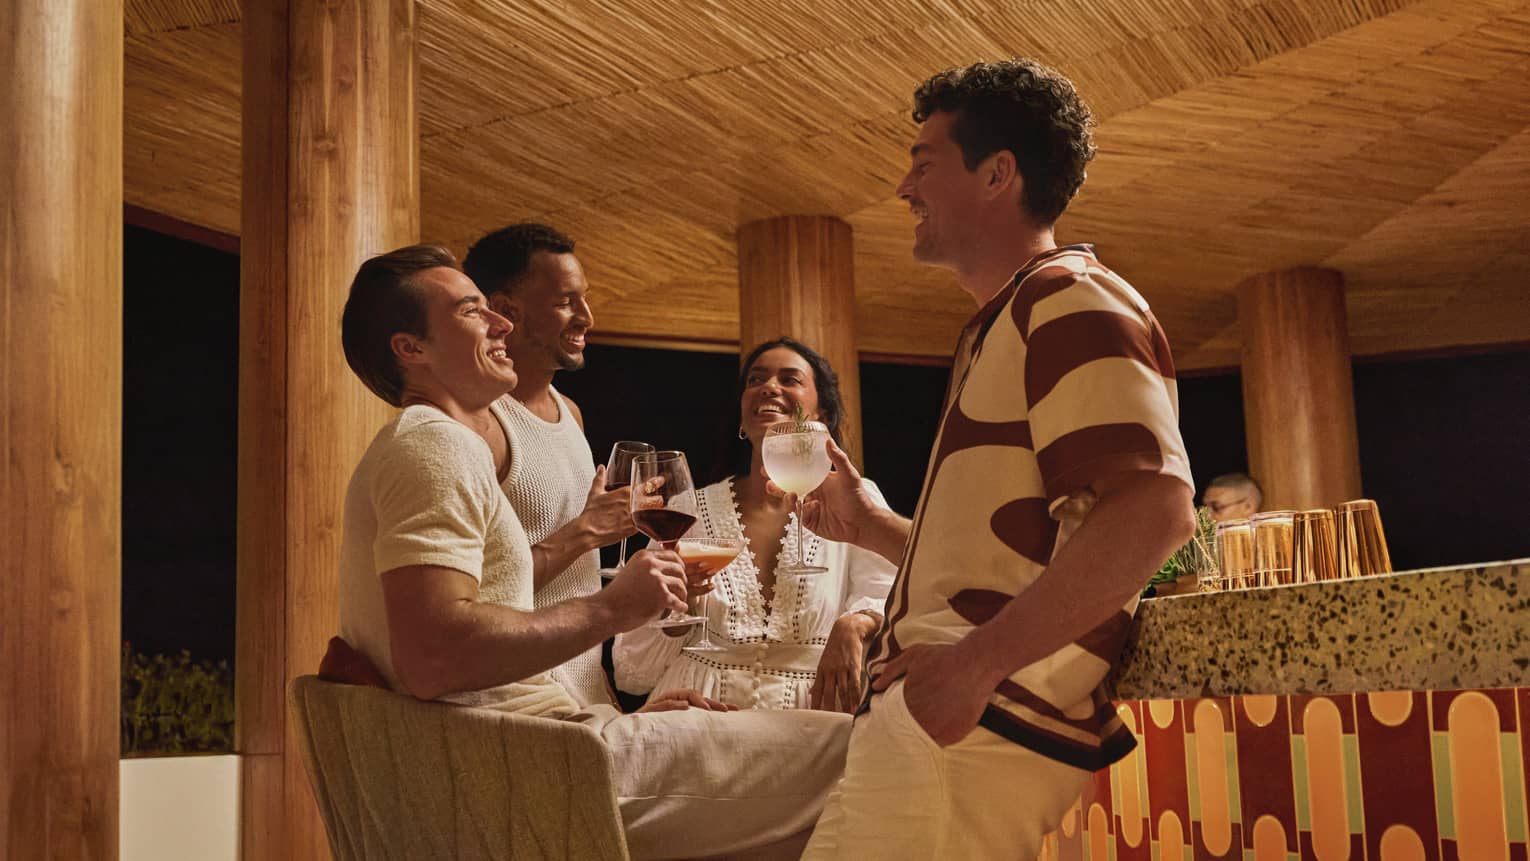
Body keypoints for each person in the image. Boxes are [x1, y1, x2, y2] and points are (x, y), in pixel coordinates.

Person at [793, 60, 1198, 859]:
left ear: (997, 174)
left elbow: (1157, 510)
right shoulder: (1010, 321)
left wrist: (973, 668)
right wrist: (873, 526)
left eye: (924, 163)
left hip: (969, 729)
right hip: (942, 725)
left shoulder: (1068, 296)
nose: (904, 187)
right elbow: (1009, 562)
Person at [335, 245, 850, 859]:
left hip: (555, 741)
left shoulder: (447, 444)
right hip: (533, 768)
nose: (500, 322)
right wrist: (612, 608)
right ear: (410, 348)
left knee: (798, 817)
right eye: (472, 311)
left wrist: (627, 715)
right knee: (862, 749)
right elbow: (432, 657)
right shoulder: (434, 446)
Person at [614, 338, 897, 713]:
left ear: (821, 416)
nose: (769, 387)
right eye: (756, 379)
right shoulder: (688, 510)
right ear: (742, 417)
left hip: (810, 721)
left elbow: (893, 597)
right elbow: (632, 673)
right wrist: (678, 610)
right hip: (698, 718)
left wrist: (855, 623)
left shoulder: (854, 499)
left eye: (790, 379)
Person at [461, 222, 628, 708]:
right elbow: (475, 602)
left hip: (584, 701)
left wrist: (611, 704)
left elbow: (576, 586)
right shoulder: (479, 424)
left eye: (584, 299)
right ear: (506, 311)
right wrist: (587, 531)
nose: (587, 317)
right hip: (523, 704)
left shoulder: (570, 413)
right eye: (565, 302)